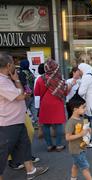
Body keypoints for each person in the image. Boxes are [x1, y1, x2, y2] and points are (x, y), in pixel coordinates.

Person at [0, 52, 48, 180]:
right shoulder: (2, 81)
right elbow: (21, 95)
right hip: (9, 123)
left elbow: (22, 94)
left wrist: (16, 82)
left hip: (17, 120)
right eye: (12, 63)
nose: (15, 66)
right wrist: (16, 81)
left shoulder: (6, 79)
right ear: (9, 65)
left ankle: (31, 170)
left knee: (24, 146)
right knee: (3, 152)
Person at [34, 59, 72, 152]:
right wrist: (69, 87)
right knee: (58, 124)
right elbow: (65, 92)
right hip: (57, 104)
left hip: (45, 104)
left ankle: (49, 145)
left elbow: (36, 93)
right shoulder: (59, 79)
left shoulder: (40, 78)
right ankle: (59, 145)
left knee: (46, 125)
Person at [66, 95, 92, 180]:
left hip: (81, 147)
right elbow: (68, 137)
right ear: (75, 109)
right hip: (76, 149)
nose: (85, 109)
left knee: (76, 165)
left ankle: (73, 178)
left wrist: (88, 130)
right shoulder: (70, 122)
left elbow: (83, 130)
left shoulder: (81, 118)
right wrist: (81, 134)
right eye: (83, 107)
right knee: (85, 167)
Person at [18, 59, 38, 126]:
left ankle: (24, 124)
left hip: (27, 94)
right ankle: (37, 123)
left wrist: (28, 92)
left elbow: (24, 83)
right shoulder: (30, 72)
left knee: (23, 110)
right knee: (34, 109)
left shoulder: (21, 73)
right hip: (32, 93)